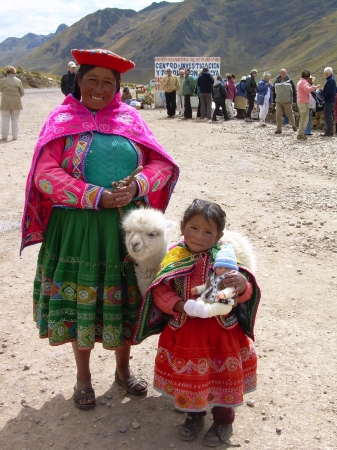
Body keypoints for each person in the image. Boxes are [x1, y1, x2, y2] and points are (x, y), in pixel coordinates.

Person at [21, 48, 179, 410]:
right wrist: (93, 195)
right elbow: (44, 174)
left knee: (125, 298)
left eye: (108, 82)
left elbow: (162, 165)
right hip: (78, 227)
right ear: (78, 82)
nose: (99, 87)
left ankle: (123, 371)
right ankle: (83, 377)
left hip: (127, 231)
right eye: (92, 79)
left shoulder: (130, 120)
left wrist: (137, 188)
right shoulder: (62, 121)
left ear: (118, 87)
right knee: (84, 300)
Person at [133, 199, 261, 447]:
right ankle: (194, 416)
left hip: (221, 334)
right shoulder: (174, 256)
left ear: (219, 235)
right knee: (191, 380)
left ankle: (224, 420)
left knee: (222, 375)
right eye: (193, 228)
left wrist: (242, 285)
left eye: (208, 232)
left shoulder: (227, 257)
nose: (199, 236)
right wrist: (182, 306)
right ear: (182, 226)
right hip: (185, 333)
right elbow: (160, 291)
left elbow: (243, 293)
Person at [184, 245, 238, 318]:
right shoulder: (212, 277)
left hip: (222, 301)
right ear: (215, 268)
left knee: (221, 307)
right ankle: (194, 308)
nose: (223, 270)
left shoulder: (230, 279)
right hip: (207, 297)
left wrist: (224, 293)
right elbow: (206, 286)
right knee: (200, 300)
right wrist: (198, 289)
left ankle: (207, 311)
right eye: (220, 267)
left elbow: (231, 290)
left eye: (227, 268)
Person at [0, 65, 24, 141]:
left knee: (5, 119)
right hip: (16, 103)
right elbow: (22, 93)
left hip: (5, 102)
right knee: (15, 119)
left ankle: (4, 136)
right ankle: (15, 136)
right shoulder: (18, 81)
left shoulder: (3, 81)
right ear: (14, 72)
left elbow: (1, 90)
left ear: (6, 72)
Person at [296, 70, 321, 140]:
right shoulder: (304, 82)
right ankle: (301, 134)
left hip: (300, 101)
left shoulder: (300, 82)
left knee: (302, 118)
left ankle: (301, 133)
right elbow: (307, 90)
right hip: (304, 102)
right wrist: (315, 87)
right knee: (305, 118)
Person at [272, 69, 297, 134]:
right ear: (280, 73)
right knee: (278, 116)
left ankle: (293, 125)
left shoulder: (290, 81)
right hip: (278, 101)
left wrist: (294, 101)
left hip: (287, 101)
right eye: (283, 73)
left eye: (285, 73)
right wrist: (273, 101)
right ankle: (279, 129)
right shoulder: (276, 81)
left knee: (290, 114)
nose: (284, 74)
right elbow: (274, 92)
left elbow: (294, 91)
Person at [320, 67, 337, 137]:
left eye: (326, 73)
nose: (325, 74)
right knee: (328, 116)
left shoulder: (330, 81)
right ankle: (329, 130)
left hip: (329, 101)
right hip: (331, 100)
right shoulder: (331, 80)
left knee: (328, 116)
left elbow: (329, 91)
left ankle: (329, 131)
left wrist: (323, 95)